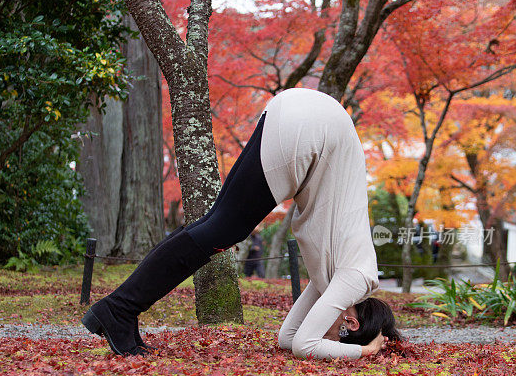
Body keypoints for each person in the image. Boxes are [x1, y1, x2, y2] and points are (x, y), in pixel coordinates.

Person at [82, 88, 401, 359]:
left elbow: (290, 340)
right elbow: (307, 344)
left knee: (216, 225)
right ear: (351, 324)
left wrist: (338, 342)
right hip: (314, 131)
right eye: (338, 335)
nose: (326, 332)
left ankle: (120, 309)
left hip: (309, 118)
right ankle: (119, 309)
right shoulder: (356, 279)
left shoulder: (338, 274)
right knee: (221, 229)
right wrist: (364, 351)